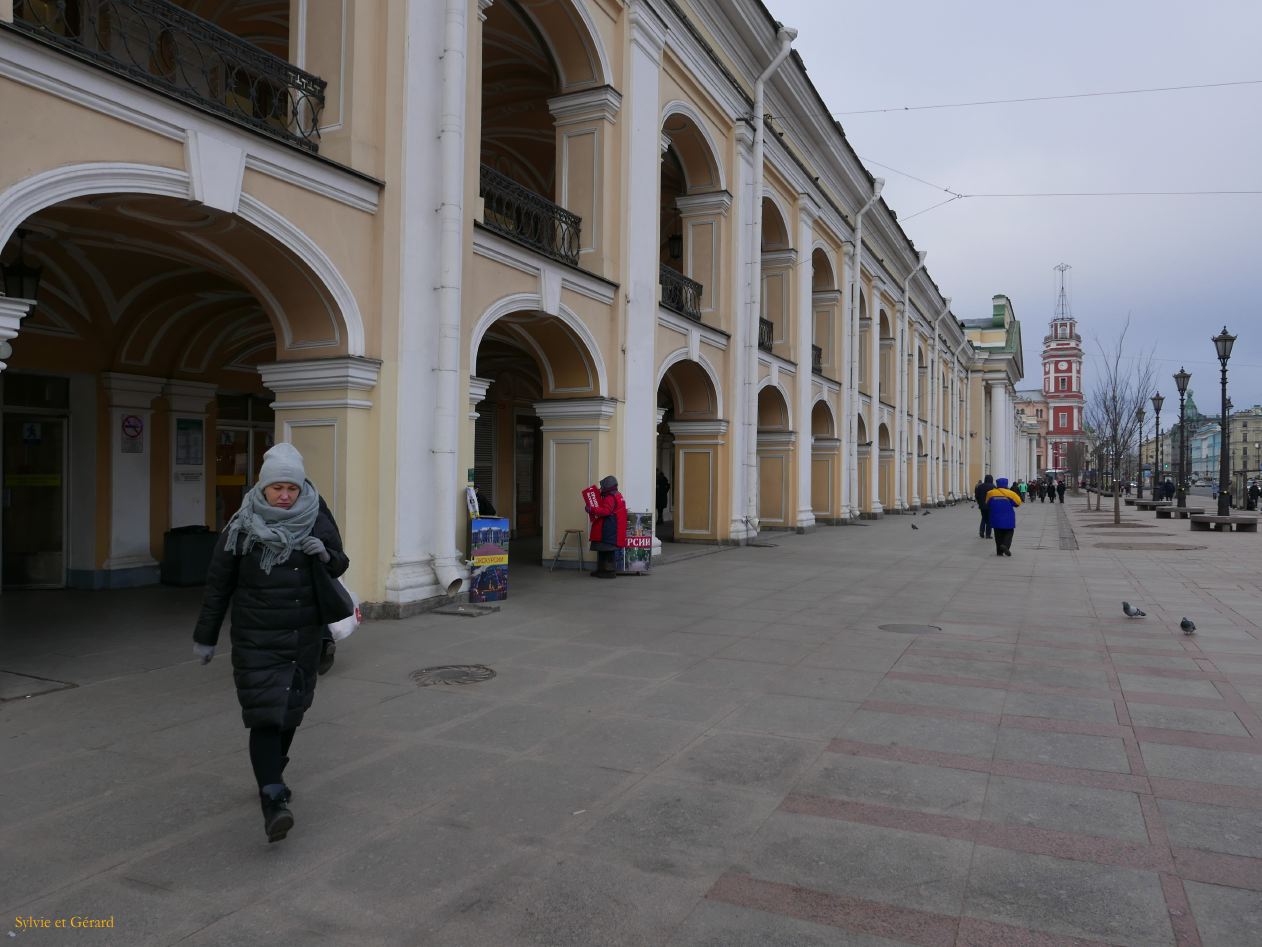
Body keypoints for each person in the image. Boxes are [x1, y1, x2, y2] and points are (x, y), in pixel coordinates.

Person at [193, 443, 350, 843]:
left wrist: (324, 553)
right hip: (257, 638)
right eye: (277, 488)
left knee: (290, 712)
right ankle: (273, 798)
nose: (284, 495)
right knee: (266, 714)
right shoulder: (241, 526)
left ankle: (270, 772)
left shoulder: (316, 516)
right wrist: (206, 637)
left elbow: (340, 563)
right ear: (263, 488)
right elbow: (218, 585)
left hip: (303, 635)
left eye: (291, 489)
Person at [585, 475, 627, 578]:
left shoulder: (610, 497)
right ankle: (602, 570)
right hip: (614, 529)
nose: (601, 488)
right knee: (605, 551)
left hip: (608, 529)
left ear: (607, 486)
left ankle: (608, 572)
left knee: (606, 551)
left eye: (602, 486)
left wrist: (592, 509)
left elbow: (606, 511)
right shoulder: (617, 495)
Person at [985, 476, 1022, 557]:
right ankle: (1005, 545)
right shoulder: (1011, 493)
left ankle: (999, 552)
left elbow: (987, 503)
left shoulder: (990, 493)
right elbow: (1018, 503)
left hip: (995, 517)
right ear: (1006, 484)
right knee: (1009, 532)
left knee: (997, 534)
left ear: (997, 484)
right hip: (1008, 517)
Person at [974, 475, 994, 539]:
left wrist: (979, 503)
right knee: (989, 520)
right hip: (990, 506)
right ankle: (988, 534)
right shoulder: (993, 486)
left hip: (982, 506)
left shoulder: (980, 486)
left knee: (984, 518)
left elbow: (976, 495)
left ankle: (981, 532)